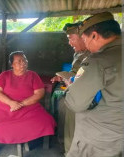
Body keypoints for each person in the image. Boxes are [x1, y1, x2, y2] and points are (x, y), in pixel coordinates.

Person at [65, 12, 123, 157]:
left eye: (84, 39)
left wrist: (71, 87)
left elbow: (75, 103)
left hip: (100, 139)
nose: (85, 44)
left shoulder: (97, 61)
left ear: (94, 35)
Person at [0, 51, 56, 145]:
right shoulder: (5, 75)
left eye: (25, 60)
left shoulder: (33, 75)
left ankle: (28, 140)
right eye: (19, 61)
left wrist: (21, 104)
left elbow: (39, 93)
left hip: (29, 106)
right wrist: (11, 102)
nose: (23, 63)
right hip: (5, 106)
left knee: (46, 121)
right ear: (12, 64)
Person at [52, 22, 90, 154]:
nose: (69, 43)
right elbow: (75, 73)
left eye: (71, 38)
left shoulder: (93, 54)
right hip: (73, 92)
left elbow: (82, 77)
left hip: (83, 96)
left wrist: (67, 77)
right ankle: (65, 145)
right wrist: (62, 77)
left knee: (73, 121)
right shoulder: (78, 53)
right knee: (64, 111)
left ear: (83, 37)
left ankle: (69, 150)